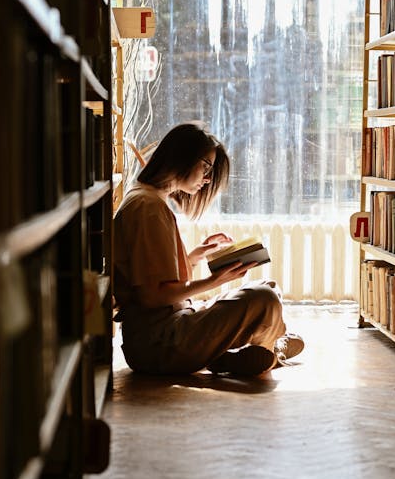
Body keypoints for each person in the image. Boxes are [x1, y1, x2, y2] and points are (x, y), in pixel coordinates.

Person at [113, 122, 304, 378]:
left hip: (167, 330)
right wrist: (215, 280)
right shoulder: (149, 208)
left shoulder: (146, 198)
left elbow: (154, 278)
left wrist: (193, 257)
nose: (207, 178)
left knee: (268, 287)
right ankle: (274, 350)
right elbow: (152, 297)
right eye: (205, 167)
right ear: (181, 158)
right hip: (160, 345)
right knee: (264, 300)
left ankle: (228, 355)